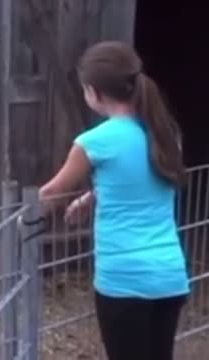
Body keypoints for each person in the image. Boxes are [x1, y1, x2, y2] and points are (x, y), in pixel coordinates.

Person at [38, 41, 189, 360]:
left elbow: (51, 193)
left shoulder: (95, 141)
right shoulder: (166, 134)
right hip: (170, 277)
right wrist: (94, 197)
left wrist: (26, 215)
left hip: (124, 280)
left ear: (93, 91)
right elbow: (140, 181)